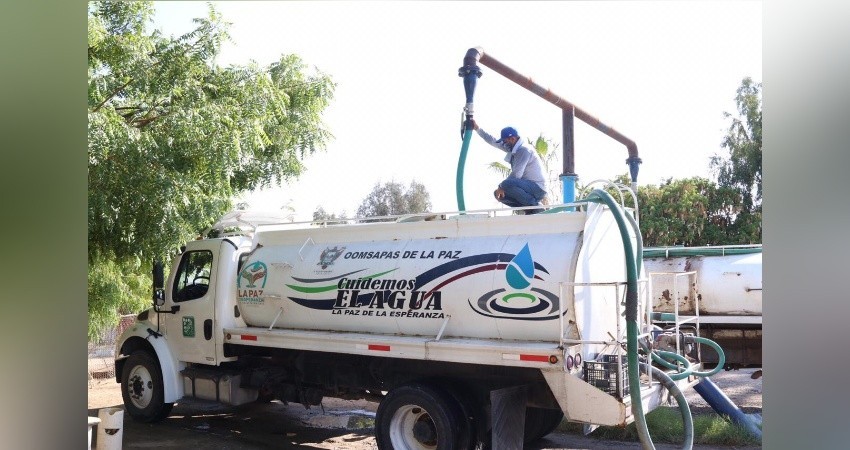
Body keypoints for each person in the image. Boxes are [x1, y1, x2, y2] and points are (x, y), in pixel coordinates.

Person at [471, 120, 548, 214]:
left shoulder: (524, 150)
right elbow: (493, 141)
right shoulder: (512, 147)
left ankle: (534, 206)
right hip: (526, 187)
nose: (504, 143)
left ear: (512, 139)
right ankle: (528, 209)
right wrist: (477, 129)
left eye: (505, 141)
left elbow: (517, 174)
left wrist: (501, 186)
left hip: (537, 188)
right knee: (498, 194)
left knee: (507, 185)